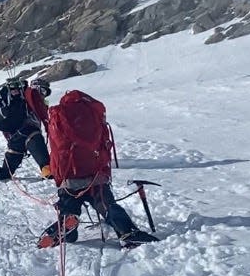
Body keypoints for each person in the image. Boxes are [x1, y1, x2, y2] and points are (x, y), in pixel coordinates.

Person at [30, 88, 159, 250]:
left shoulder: (59, 115)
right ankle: (128, 233)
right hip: (96, 177)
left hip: (69, 178)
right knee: (107, 205)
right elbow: (105, 145)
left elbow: (56, 151)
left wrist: (58, 178)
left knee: (68, 206)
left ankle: (67, 223)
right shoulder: (93, 114)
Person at [0, 76, 54, 184]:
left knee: (6, 174)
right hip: (27, 133)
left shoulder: (36, 102)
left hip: (14, 140)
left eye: (45, 92)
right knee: (37, 139)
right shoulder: (29, 95)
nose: (43, 94)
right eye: (42, 90)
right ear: (36, 87)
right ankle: (48, 170)